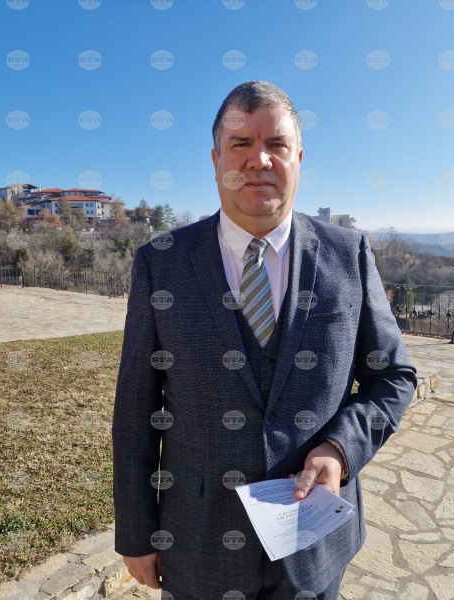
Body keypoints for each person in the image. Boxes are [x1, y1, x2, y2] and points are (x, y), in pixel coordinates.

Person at [113, 81, 417, 599]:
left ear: (298, 158)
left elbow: (393, 376)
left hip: (312, 545)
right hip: (198, 543)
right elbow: (136, 407)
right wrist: (137, 532)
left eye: (276, 143)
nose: (259, 159)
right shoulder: (161, 262)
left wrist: (340, 448)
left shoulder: (349, 255)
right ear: (216, 161)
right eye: (240, 144)